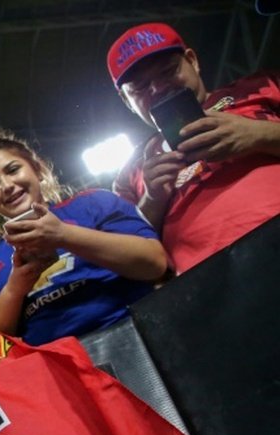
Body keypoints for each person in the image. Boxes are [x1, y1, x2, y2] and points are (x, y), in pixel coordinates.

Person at [108, 22, 280, 274]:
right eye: (140, 87)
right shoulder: (132, 171)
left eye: (168, 71)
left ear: (192, 60)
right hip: (209, 288)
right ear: (126, 100)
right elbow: (125, 257)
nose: (158, 88)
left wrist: (260, 134)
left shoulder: (261, 87)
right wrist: (153, 199)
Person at [0, 130, 167, 346]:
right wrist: (16, 287)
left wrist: (64, 235)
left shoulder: (94, 203)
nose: (6, 186)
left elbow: (154, 263)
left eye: (13, 170)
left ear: (38, 169)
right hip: (52, 366)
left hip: (134, 338)